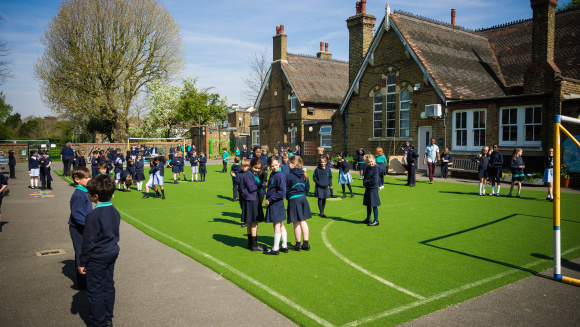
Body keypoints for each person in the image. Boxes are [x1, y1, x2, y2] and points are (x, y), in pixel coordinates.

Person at [78, 175, 120, 327]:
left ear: (95, 196)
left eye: (88, 193)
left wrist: (83, 262)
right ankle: (108, 318)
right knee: (108, 285)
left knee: (95, 290)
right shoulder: (114, 210)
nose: (87, 195)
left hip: (98, 256)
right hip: (111, 251)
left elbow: (88, 242)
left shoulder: (93, 215)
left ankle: (98, 322)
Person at [69, 166, 92, 290]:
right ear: (77, 179)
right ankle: (82, 282)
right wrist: (89, 225)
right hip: (78, 228)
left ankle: (86, 277)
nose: (89, 179)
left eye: (89, 177)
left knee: (86, 251)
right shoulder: (78, 194)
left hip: (84, 226)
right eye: (86, 178)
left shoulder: (84, 191)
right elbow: (77, 214)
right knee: (81, 252)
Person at [263, 156, 289, 255]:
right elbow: (275, 187)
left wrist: (270, 199)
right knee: (281, 224)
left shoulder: (280, 175)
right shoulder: (274, 174)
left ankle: (275, 248)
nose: (274, 167)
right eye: (272, 166)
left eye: (276, 165)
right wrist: (267, 186)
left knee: (276, 224)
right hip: (276, 203)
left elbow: (282, 192)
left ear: (279, 163)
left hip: (276, 203)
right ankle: (284, 246)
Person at [286, 156, 311, 251]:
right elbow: (307, 188)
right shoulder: (304, 174)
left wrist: (289, 196)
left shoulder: (289, 175)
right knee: (303, 221)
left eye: (289, 163)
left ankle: (298, 245)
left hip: (294, 199)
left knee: (296, 222)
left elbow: (286, 189)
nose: (288, 164)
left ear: (294, 164)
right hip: (303, 198)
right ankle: (306, 244)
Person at [242, 158, 266, 251]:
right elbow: (251, 188)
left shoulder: (254, 174)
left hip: (251, 199)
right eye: (255, 168)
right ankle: (254, 244)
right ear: (251, 166)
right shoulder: (248, 174)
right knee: (253, 222)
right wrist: (261, 185)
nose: (257, 170)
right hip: (251, 200)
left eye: (259, 168)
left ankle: (251, 243)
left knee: (250, 222)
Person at [362, 155, 380, 226]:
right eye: (369, 162)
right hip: (368, 188)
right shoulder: (368, 168)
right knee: (368, 204)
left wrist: (366, 182)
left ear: (374, 161)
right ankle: (368, 219)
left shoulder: (376, 168)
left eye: (371, 161)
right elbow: (365, 177)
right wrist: (365, 182)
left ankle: (376, 221)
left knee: (374, 205)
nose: (370, 163)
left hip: (373, 189)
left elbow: (374, 180)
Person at [232, 158, 250, 227]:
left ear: (248, 166)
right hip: (241, 192)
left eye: (245, 166)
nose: (243, 168)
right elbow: (237, 182)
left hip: (248, 193)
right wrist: (234, 177)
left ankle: (246, 221)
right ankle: (246, 220)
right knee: (242, 206)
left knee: (246, 207)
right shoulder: (239, 173)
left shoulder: (249, 173)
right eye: (242, 166)